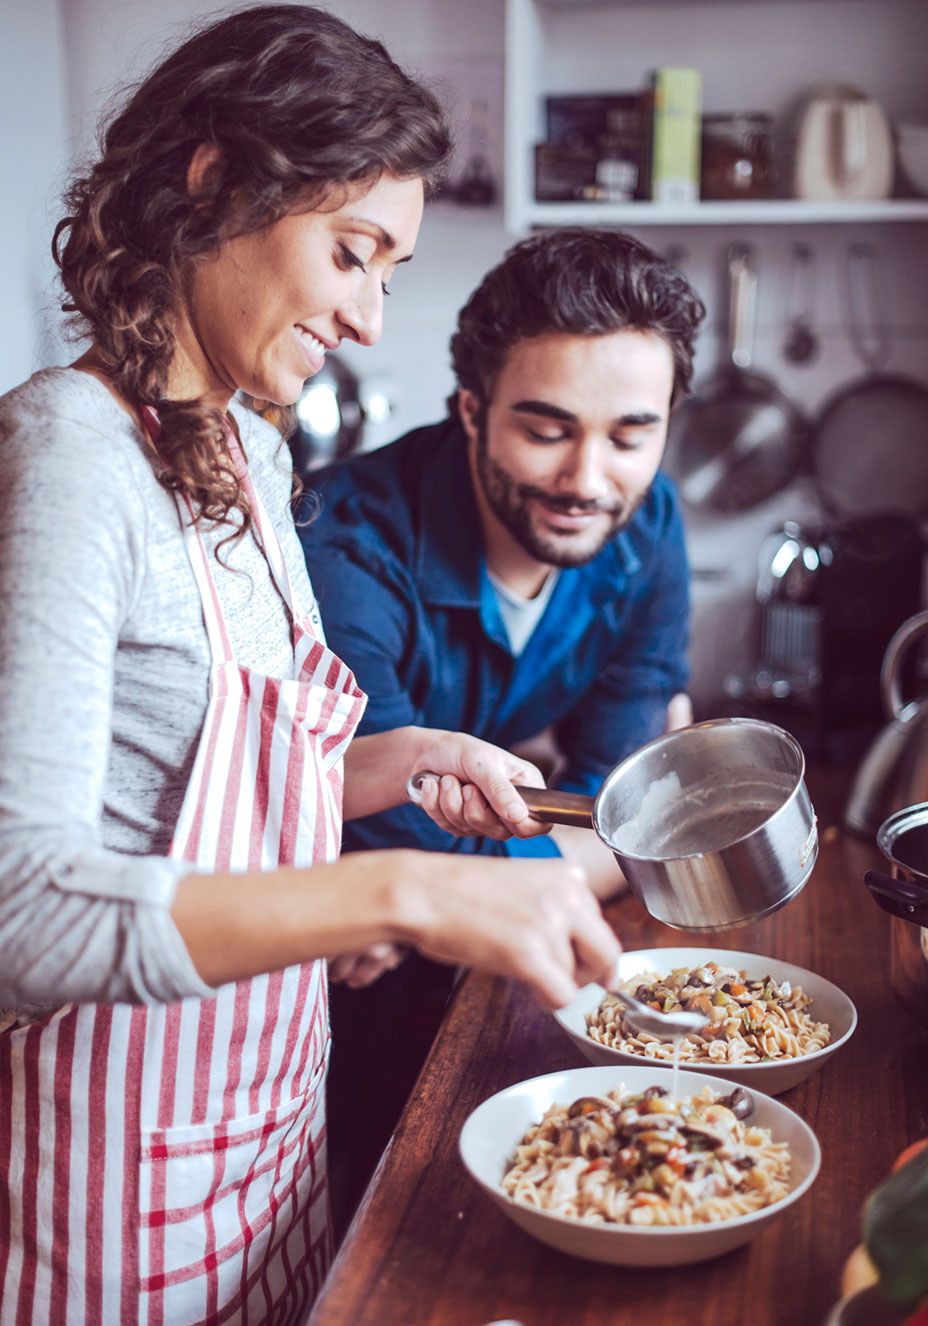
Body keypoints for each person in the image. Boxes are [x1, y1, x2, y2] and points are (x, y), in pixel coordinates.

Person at [0, 9, 622, 1324]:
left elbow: (193, 777)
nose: (365, 313)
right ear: (211, 177)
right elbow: (25, 914)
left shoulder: (249, 454)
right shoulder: (67, 456)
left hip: (271, 1138)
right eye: (353, 253)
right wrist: (395, 889)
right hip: (120, 1187)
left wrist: (394, 763)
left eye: (388, 270)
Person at [299, 227, 706, 1223]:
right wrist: (411, 897)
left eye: (628, 434)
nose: (587, 480)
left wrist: (436, 901)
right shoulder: (347, 544)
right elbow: (380, 826)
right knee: (361, 1206)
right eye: (547, 428)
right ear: (472, 410)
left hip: (431, 934)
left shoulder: (645, 526)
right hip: (323, 955)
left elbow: (625, 798)